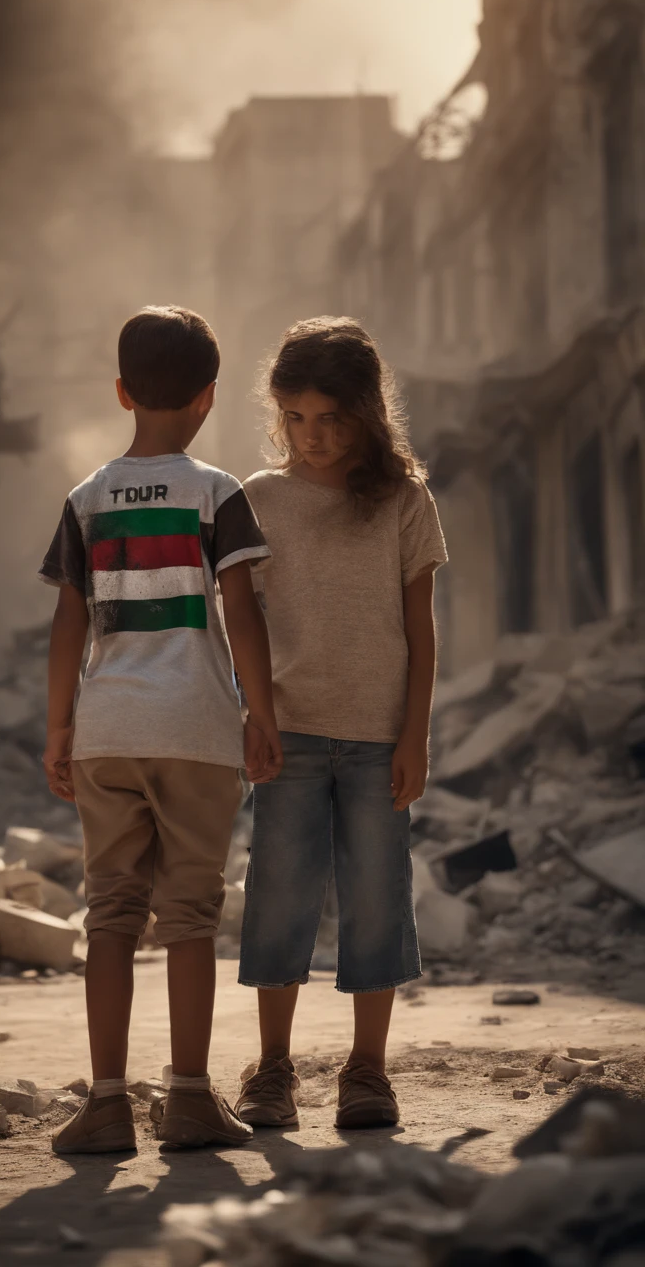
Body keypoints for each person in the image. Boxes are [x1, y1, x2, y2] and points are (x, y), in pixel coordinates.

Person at [39, 305, 282, 1155]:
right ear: (209, 398)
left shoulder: (86, 498)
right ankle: (186, 1098)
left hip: (107, 727)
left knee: (111, 911)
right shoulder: (219, 493)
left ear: (120, 392)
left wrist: (58, 726)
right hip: (197, 730)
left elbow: (69, 624)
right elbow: (242, 616)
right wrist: (262, 712)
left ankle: (105, 1103)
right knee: (187, 913)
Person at [235, 316, 448, 1131]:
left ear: (366, 411)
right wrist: (256, 715)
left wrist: (415, 735)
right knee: (279, 896)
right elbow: (243, 621)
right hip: (287, 734)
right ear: (277, 413)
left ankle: (368, 1070)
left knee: (374, 899)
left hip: (376, 737)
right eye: (295, 417)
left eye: (331, 418)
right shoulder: (259, 500)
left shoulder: (402, 498)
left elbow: (421, 631)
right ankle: (274, 1069)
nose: (312, 437)